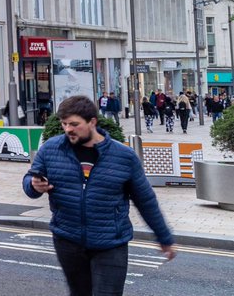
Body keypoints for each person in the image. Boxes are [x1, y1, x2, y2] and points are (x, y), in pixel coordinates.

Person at [23, 95, 175, 295]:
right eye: (64, 123)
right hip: (68, 240)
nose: (68, 129)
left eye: (75, 124)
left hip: (110, 243)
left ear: (92, 122)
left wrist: (163, 237)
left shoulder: (123, 156)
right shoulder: (51, 149)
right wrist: (34, 186)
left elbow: (145, 200)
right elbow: (29, 182)